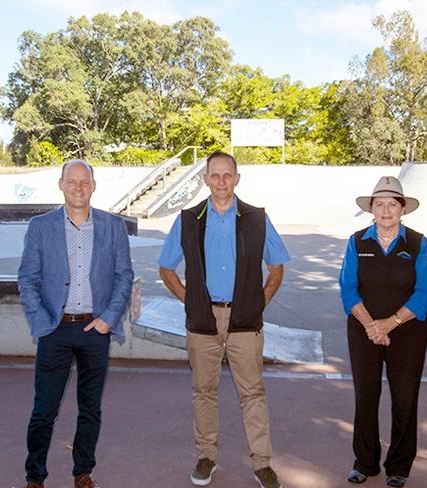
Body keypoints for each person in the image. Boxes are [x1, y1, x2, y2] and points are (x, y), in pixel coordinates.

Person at [158, 151, 290, 488]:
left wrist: (257, 303)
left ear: (237, 179)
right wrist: (194, 301)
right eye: (214, 176)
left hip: (245, 320)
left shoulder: (256, 218)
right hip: (203, 321)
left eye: (227, 175)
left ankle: (262, 464)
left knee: (253, 393)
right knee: (204, 391)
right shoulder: (188, 219)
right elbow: (166, 267)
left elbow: (276, 267)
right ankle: (206, 458)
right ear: (205, 180)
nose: (221, 182)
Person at [18, 160, 134, 488]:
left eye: (85, 182)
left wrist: (108, 319)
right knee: (44, 410)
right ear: (61, 184)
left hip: (94, 330)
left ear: (94, 186)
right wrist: (42, 322)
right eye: (72, 181)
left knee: (90, 409)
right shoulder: (41, 226)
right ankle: (34, 476)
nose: (78, 187)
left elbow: (124, 275)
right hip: (55, 330)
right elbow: (27, 278)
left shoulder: (113, 226)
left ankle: (83, 471)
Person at [339, 176, 427, 488]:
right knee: (366, 397)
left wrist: (389, 324)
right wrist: (371, 326)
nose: (385, 210)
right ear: (371, 209)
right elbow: (347, 289)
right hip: (363, 330)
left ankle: (399, 466)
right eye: (379, 204)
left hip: (407, 333)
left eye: (392, 204)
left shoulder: (418, 243)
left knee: (404, 399)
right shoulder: (357, 241)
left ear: (402, 209)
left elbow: (423, 293)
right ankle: (364, 463)